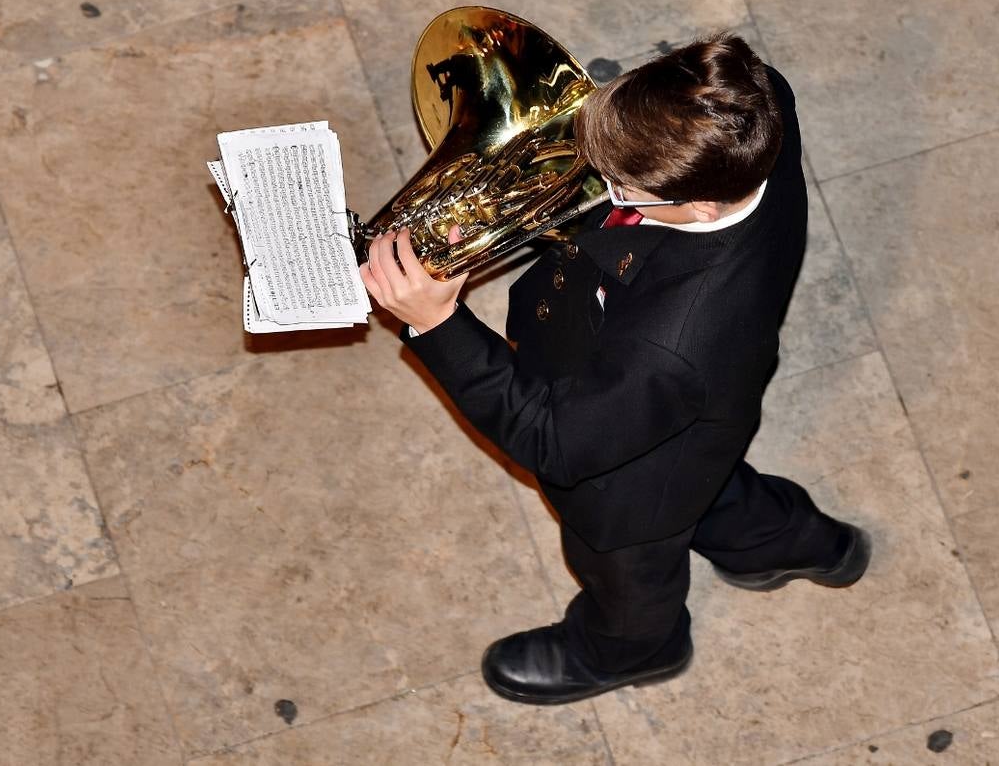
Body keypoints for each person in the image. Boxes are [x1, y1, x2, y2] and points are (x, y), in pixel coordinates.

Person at [359, 35, 870, 706]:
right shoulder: (756, 104)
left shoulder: (673, 345)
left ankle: (639, 650)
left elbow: (555, 440)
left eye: (623, 185)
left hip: (628, 477)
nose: (606, 187)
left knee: (628, 560)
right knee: (705, 483)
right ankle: (799, 543)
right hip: (695, 415)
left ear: (703, 205)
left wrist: (437, 322)